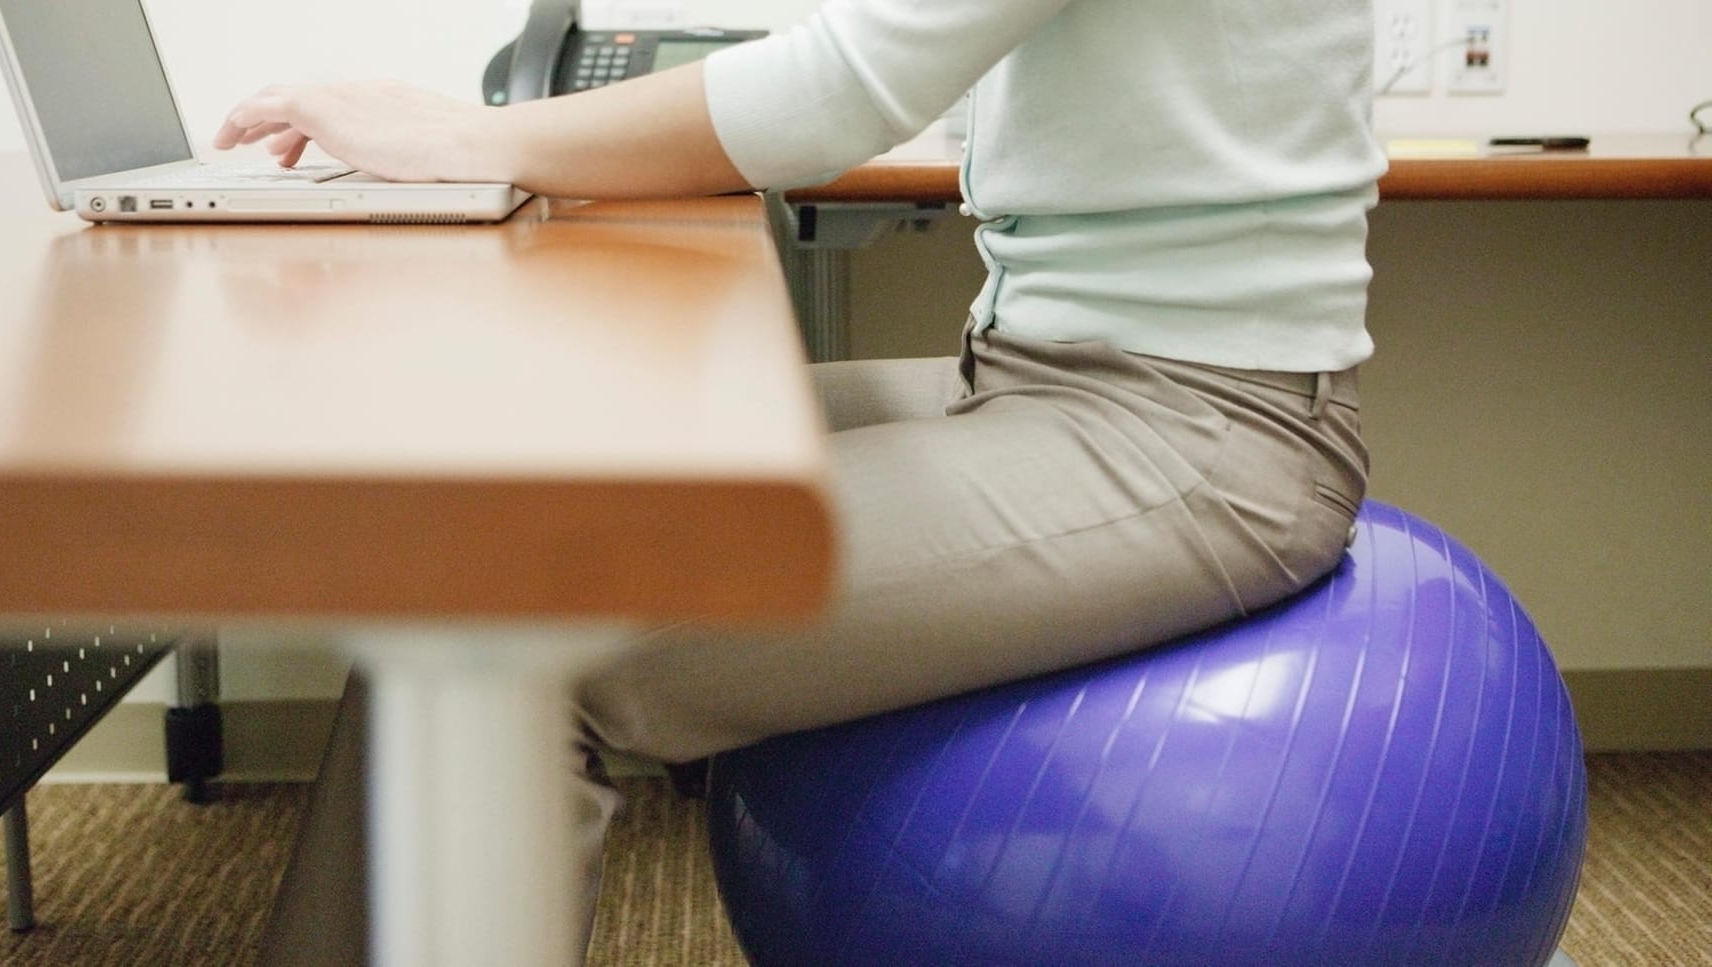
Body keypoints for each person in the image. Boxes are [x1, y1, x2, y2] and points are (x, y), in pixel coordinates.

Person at [223, 0, 1381, 960]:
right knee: (516, 503)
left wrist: (468, 136)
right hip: (1036, 382)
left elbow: (839, 90)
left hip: (1198, 438)